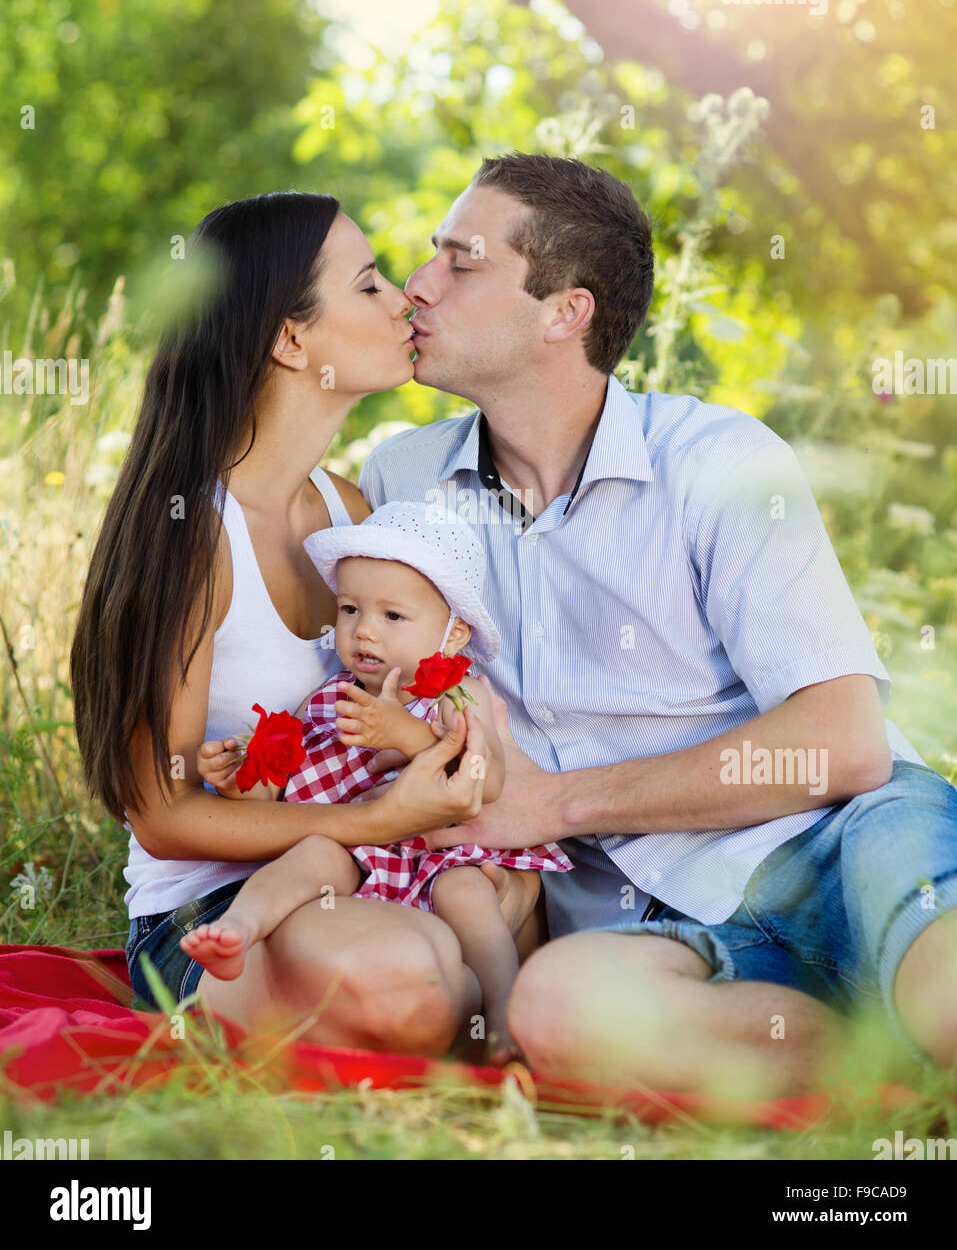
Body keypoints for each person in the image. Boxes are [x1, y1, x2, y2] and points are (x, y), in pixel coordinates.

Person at [358, 151, 957, 1096]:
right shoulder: (400, 482)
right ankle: (880, 1064)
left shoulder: (718, 460)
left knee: (946, 999)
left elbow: (840, 747)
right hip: (658, 923)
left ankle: (915, 1022)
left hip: (839, 840)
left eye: (460, 262)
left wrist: (553, 805)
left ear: (566, 311)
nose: (415, 289)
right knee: (552, 1011)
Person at [70, 191, 498, 1055]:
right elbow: (160, 814)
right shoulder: (192, 529)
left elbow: (402, 703)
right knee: (412, 982)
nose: (404, 300)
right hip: (210, 907)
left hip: (357, 879)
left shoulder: (350, 511)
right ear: (291, 339)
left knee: (463, 952)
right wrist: (377, 823)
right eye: (371, 285)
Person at [183, 501, 571, 1063]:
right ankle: (238, 931)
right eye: (349, 609)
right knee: (312, 853)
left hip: (440, 857)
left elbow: (484, 782)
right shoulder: (328, 699)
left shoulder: (460, 694)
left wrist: (403, 734)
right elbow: (283, 794)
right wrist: (242, 778)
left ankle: (505, 1017)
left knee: (468, 894)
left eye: (393, 616)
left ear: (454, 633)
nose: (363, 630)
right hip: (355, 851)